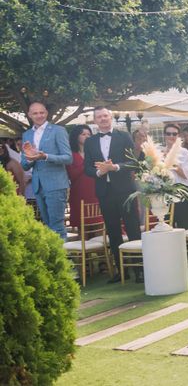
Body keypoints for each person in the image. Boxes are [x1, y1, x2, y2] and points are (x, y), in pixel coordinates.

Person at [84, 106, 142, 283]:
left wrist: (114, 167)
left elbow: (133, 163)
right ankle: (121, 271)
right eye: (99, 117)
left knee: (133, 229)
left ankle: (139, 270)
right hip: (104, 192)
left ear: (110, 118)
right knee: (113, 232)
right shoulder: (90, 142)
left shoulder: (123, 136)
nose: (103, 119)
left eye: (105, 116)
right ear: (95, 120)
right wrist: (100, 172)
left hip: (125, 190)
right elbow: (87, 168)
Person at [20, 102, 72, 239]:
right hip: (38, 185)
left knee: (57, 226)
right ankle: (54, 259)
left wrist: (45, 156)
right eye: (35, 113)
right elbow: (24, 165)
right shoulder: (26, 135)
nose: (39, 115)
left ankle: (63, 260)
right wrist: (31, 158)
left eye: (41, 112)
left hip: (56, 184)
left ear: (46, 113)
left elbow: (68, 158)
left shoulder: (57, 130)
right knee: (48, 226)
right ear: (30, 115)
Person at [66, 125, 102, 228]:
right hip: (79, 193)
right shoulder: (71, 155)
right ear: (76, 137)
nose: (87, 136)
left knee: (99, 222)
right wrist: (86, 164)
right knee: (82, 225)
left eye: (89, 134)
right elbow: (71, 175)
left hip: (95, 191)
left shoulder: (95, 153)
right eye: (83, 134)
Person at [162, 124, 188, 198]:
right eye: (168, 134)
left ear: (178, 136)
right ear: (164, 135)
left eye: (174, 134)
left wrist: (171, 160)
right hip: (164, 192)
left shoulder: (185, 153)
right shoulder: (159, 153)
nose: (171, 136)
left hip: (183, 191)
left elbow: (186, 175)